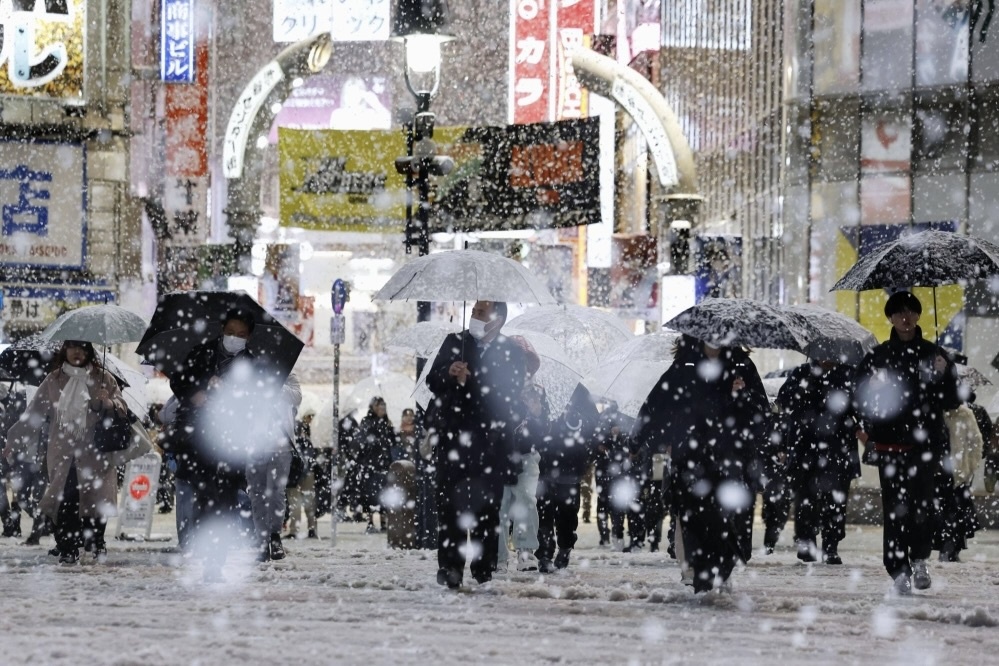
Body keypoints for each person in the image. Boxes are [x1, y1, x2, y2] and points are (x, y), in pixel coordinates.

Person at [634, 334, 769, 593]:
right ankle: (701, 574)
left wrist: (742, 396)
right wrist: (638, 441)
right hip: (690, 457)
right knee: (694, 518)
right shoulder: (685, 364)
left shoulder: (741, 365)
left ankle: (720, 567)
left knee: (723, 517)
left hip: (728, 456)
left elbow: (760, 414)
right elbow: (657, 404)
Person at [853, 291, 959, 596]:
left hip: (925, 444)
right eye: (898, 312)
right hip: (890, 444)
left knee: (922, 506)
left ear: (918, 315)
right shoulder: (878, 356)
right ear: (890, 318)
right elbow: (858, 398)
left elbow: (951, 401)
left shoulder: (934, 354)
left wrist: (943, 375)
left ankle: (919, 559)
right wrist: (871, 405)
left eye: (910, 311)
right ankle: (898, 570)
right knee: (895, 509)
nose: (905, 317)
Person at [426, 300, 527, 588]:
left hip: (490, 445)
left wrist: (472, 379)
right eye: (473, 312)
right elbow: (433, 380)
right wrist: (449, 371)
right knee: (450, 509)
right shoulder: (455, 342)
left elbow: (508, 396)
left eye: (481, 313)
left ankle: (484, 570)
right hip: (453, 441)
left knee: (486, 511)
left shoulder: (511, 352)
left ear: (498, 319)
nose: (474, 317)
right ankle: (450, 568)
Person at [4, 341, 127, 564]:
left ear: (89, 351)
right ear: (65, 351)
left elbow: (122, 406)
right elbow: (34, 413)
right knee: (65, 500)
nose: (76, 352)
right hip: (63, 453)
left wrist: (109, 402)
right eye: (72, 347)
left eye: (81, 347)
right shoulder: (54, 380)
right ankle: (68, 546)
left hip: (95, 453)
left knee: (94, 501)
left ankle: (95, 544)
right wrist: (14, 440)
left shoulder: (103, 378)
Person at [163, 307, 260, 582]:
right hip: (198, 438)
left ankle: (215, 560)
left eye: (241, 334)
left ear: (249, 337)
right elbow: (178, 381)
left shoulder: (252, 365)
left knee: (225, 500)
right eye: (230, 332)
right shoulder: (201, 353)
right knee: (206, 496)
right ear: (222, 330)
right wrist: (200, 390)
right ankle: (208, 553)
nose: (234, 338)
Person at [773, 359, 861, 565]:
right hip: (806, 447)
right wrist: (806, 388)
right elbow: (784, 400)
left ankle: (831, 545)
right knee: (806, 499)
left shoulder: (848, 374)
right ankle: (807, 543)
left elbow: (859, 408)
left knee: (836, 500)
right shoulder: (802, 372)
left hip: (837, 446)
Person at [534, 386, 598, 572]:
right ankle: (545, 553)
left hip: (570, 465)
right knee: (543, 512)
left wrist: (574, 418)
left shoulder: (581, 393)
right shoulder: (541, 388)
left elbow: (593, 423)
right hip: (545, 464)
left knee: (567, 513)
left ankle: (565, 546)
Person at [245, 372, 301, 561]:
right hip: (255, 446)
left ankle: (275, 536)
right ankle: (262, 540)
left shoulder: (289, 377)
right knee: (257, 494)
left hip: (280, 447)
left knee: (276, 492)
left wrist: (276, 385)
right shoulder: (252, 376)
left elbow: (296, 397)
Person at [497, 380, 544, 573]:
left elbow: (543, 430)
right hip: (498, 455)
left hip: (526, 455)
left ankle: (525, 551)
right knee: (500, 506)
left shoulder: (536, 392)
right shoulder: (496, 386)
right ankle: (499, 556)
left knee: (526, 501)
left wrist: (537, 413)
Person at [934, 397, 983, 562]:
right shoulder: (936, 412)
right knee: (942, 510)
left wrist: (970, 466)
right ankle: (945, 546)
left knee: (956, 511)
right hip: (938, 470)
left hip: (958, 472)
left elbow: (976, 441)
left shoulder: (965, 414)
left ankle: (951, 548)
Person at [355, 397, 395, 533]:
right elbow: (363, 441)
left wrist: (390, 430)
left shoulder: (387, 423)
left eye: (383, 405)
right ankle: (370, 521)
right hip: (370, 464)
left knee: (384, 492)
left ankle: (383, 521)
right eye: (379, 405)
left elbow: (391, 443)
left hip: (384, 464)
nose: (382, 408)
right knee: (370, 494)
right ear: (373, 407)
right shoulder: (367, 422)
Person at [286, 407, 319, 539]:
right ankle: (310, 529)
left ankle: (296, 530)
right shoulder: (302, 430)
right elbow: (309, 452)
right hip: (302, 471)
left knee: (297, 503)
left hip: (295, 472)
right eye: (309, 416)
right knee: (305, 502)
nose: (311, 419)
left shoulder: (289, 428)